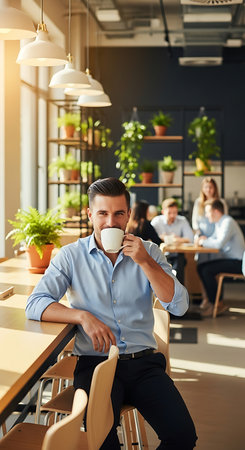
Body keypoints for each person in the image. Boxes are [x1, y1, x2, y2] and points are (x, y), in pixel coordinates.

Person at [26, 178, 197, 450]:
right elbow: (35, 304)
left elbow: (179, 306)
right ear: (90, 213)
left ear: (128, 214)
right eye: (103, 213)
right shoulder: (71, 256)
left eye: (119, 213)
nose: (111, 222)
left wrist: (145, 262)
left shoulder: (149, 252)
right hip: (96, 365)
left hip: (144, 364)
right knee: (103, 442)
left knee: (183, 436)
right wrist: (82, 316)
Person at [196, 199, 245, 317]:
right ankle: (215, 303)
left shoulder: (227, 222)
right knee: (201, 267)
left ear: (216, 211)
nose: (206, 215)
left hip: (238, 262)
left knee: (207, 270)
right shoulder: (220, 223)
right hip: (230, 260)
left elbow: (218, 244)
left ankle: (216, 304)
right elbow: (213, 239)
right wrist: (203, 240)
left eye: (208, 212)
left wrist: (202, 242)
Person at [151, 198, 194, 284]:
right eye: (169, 213)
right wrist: (178, 239)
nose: (172, 216)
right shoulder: (156, 221)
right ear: (163, 212)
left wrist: (173, 239)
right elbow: (154, 239)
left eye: (175, 213)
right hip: (160, 255)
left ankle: (179, 293)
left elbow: (190, 239)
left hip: (176, 255)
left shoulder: (182, 220)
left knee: (179, 262)